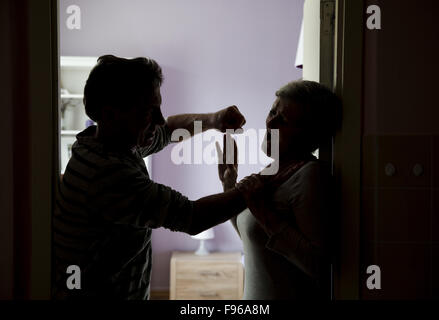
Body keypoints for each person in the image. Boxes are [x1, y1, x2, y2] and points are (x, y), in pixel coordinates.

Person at [52, 55, 301, 300]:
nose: (159, 119)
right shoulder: (107, 173)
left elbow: (169, 129)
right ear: (110, 114)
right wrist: (266, 178)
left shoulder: (103, 141)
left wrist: (214, 120)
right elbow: (194, 217)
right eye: (149, 111)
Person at [217, 79, 340, 299]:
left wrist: (264, 212)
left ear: (307, 134)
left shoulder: (310, 176)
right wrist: (228, 184)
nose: (270, 123)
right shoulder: (271, 172)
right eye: (272, 112)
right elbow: (252, 237)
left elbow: (321, 266)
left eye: (282, 119)